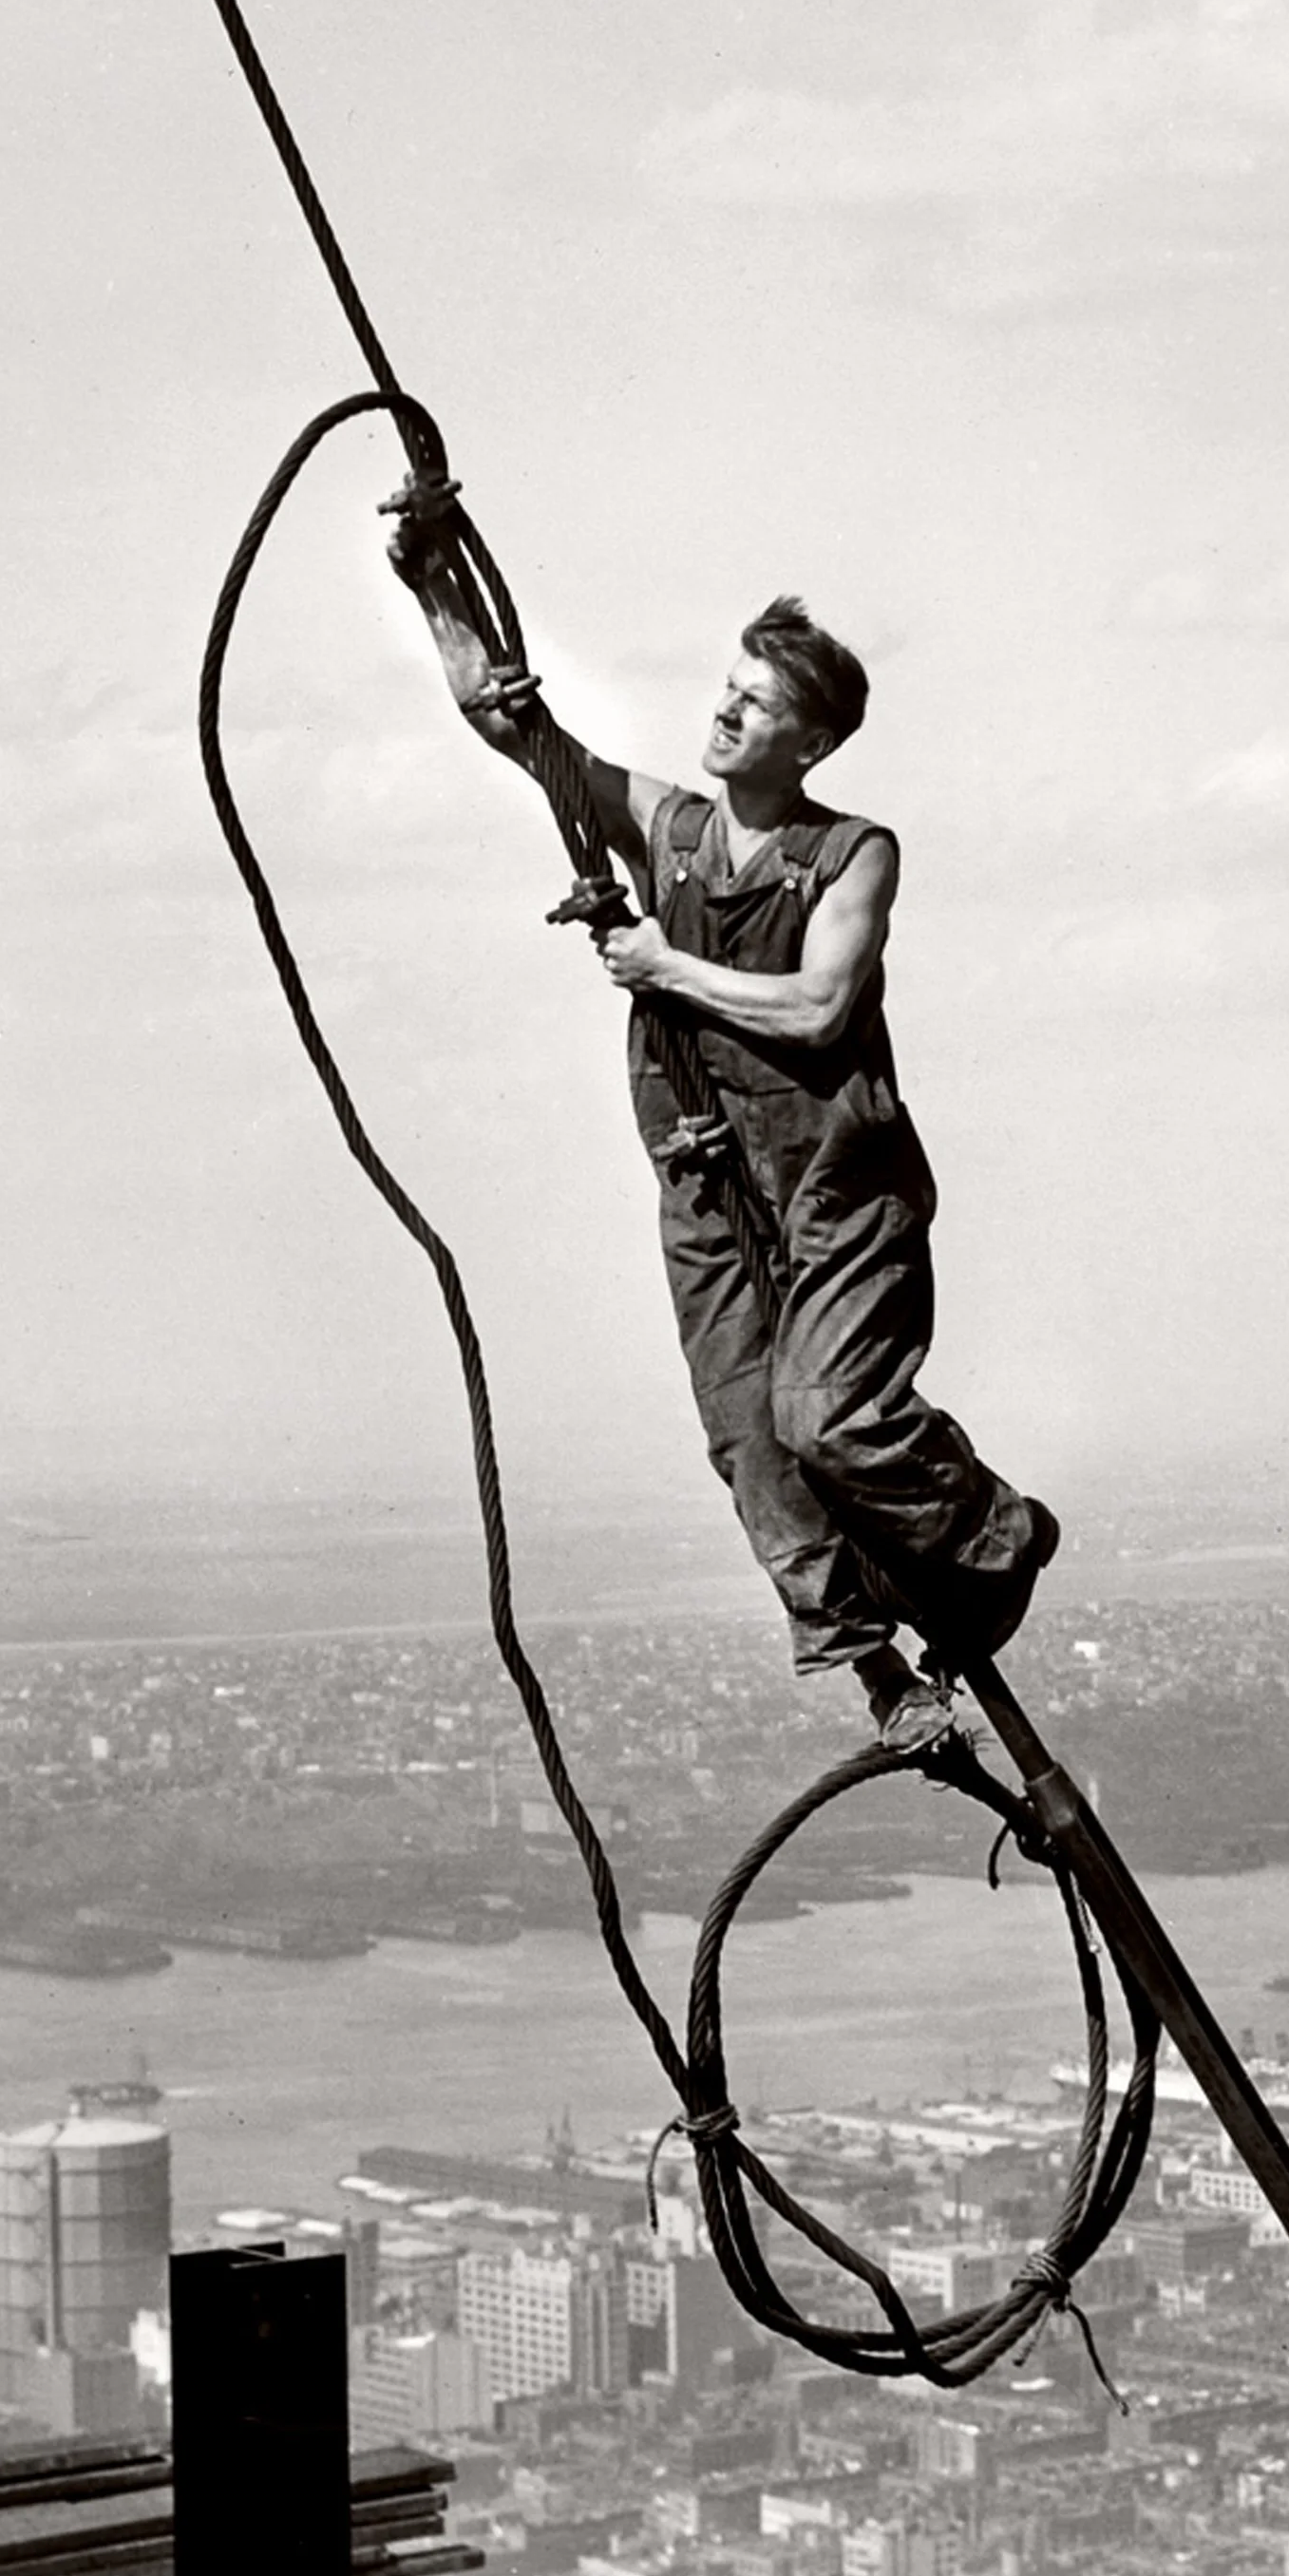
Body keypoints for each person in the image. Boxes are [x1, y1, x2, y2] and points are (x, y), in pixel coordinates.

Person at [389, 516, 1057, 1748]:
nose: (727, 717)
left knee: (830, 1418)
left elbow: (817, 1007)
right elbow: (512, 728)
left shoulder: (849, 854)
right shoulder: (676, 832)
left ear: (810, 738)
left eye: (758, 706)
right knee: (751, 1438)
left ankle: (996, 1538)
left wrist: (662, 963)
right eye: (728, 692)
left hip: (836, 1184)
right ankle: (880, 1684)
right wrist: (431, 579)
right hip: (705, 1170)